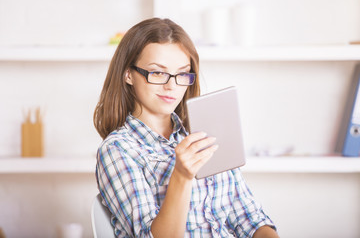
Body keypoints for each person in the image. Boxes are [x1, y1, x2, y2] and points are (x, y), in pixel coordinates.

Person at [94, 17, 278, 238]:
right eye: (158, 72)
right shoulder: (119, 149)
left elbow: (251, 219)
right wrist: (181, 175)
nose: (171, 86)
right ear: (128, 74)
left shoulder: (204, 133)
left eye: (182, 73)